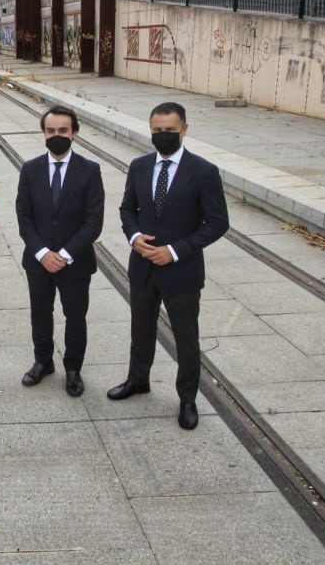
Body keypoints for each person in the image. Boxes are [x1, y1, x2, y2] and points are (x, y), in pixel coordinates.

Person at [108, 102, 229, 430]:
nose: (162, 136)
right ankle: (138, 380)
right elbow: (126, 209)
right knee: (141, 328)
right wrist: (134, 237)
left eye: (169, 131)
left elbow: (217, 223)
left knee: (186, 337)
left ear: (184, 130)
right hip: (143, 266)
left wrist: (175, 251)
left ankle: (187, 398)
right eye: (157, 131)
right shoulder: (139, 166)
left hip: (182, 271)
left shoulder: (203, 172)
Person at [16, 106, 104, 396]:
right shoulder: (30, 169)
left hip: (75, 262)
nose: (57, 136)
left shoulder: (90, 171)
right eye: (51, 131)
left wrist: (65, 254)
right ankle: (43, 362)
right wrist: (42, 252)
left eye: (63, 131)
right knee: (40, 314)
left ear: (74, 133)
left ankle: (73, 369)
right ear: (44, 133)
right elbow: (24, 216)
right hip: (38, 261)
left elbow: (94, 221)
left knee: (75, 317)